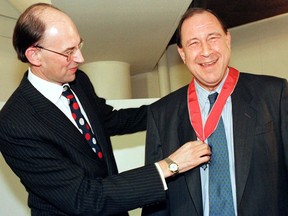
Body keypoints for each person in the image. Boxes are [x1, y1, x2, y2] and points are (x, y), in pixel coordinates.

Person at [0, 3, 212, 216]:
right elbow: (84, 197)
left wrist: (181, 103)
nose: (80, 59)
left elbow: (113, 120)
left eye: (79, 45)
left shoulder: (77, 81)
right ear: (34, 55)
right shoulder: (14, 123)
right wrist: (170, 166)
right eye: (68, 52)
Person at [142, 7, 288, 216]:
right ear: (182, 54)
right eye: (194, 43)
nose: (206, 51)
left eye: (213, 38)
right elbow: (155, 199)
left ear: (228, 40)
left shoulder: (274, 94)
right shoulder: (162, 114)